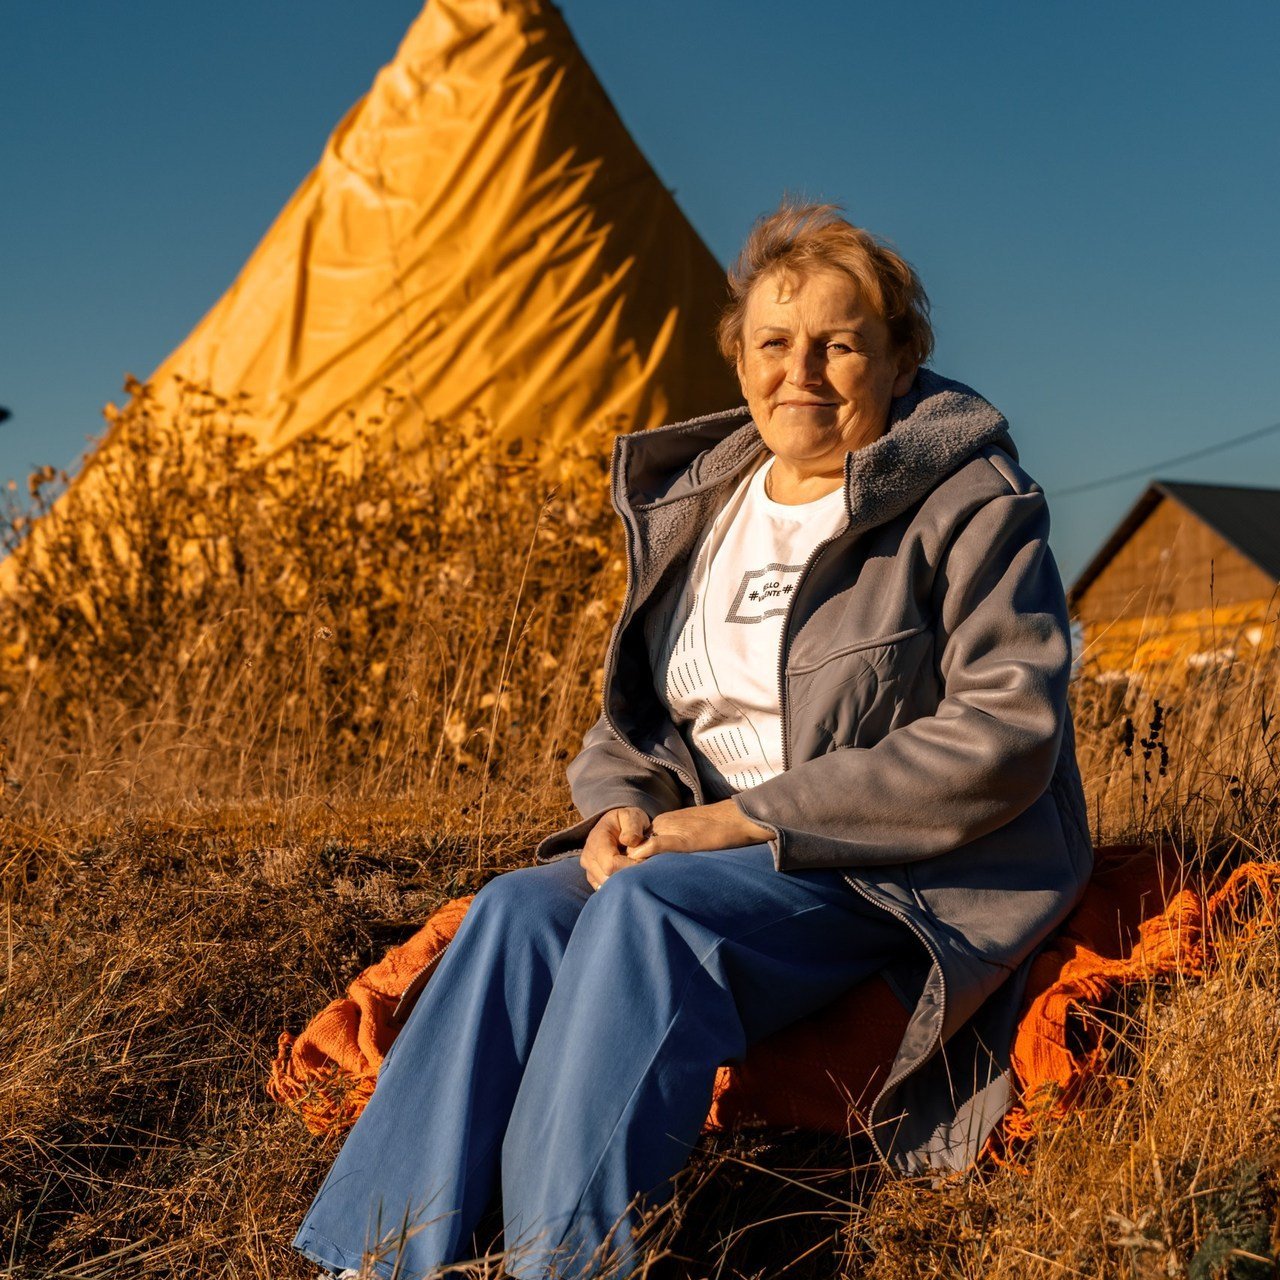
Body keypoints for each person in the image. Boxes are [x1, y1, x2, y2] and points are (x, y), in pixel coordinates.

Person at [293, 201, 1092, 1279]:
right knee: (518, 910)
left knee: (648, 913)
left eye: (838, 343)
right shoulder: (706, 498)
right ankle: (375, 1257)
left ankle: (559, 1264)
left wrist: (742, 819)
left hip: (879, 867)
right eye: (773, 342)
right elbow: (643, 714)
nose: (797, 369)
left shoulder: (970, 502)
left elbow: (1006, 731)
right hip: (701, 848)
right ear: (741, 357)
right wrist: (620, 802)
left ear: (900, 361)